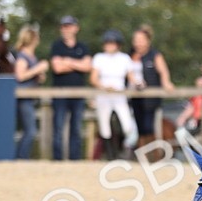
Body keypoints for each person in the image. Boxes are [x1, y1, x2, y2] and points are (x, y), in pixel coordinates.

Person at [90, 29, 141, 157]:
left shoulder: (124, 58)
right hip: (104, 94)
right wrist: (104, 87)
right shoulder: (99, 58)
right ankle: (111, 155)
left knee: (127, 125)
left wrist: (138, 83)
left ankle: (126, 151)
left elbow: (131, 77)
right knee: (105, 126)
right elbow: (94, 78)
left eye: (112, 43)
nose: (109, 45)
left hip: (119, 95)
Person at [49, 15, 93, 161]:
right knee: (58, 128)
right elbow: (57, 68)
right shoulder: (57, 46)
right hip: (60, 94)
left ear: (76, 28)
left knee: (76, 128)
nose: (66, 29)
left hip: (78, 94)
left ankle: (75, 160)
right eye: (64, 26)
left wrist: (67, 61)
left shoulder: (83, 47)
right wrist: (77, 64)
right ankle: (57, 160)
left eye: (69, 26)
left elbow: (88, 66)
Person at [129, 25, 173, 147]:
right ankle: (142, 153)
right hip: (135, 98)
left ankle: (152, 153)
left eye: (141, 40)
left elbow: (163, 71)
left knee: (149, 127)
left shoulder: (154, 55)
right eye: (136, 40)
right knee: (139, 129)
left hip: (151, 100)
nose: (138, 43)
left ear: (148, 41)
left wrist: (166, 82)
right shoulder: (130, 55)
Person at [13, 26, 49, 159]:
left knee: (29, 130)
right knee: (30, 130)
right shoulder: (23, 56)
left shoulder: (31, 56)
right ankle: (21, 157)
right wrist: (38, 68)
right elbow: (20, 76)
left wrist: (39, 75)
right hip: (24, 97)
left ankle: (21, 156)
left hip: (30, 97)